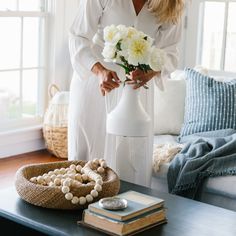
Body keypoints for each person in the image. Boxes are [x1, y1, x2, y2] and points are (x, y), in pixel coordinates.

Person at [68, 0, 184, 187]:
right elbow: (78, 36)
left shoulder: (171, 3)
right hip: (95, 82)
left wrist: (152, 71)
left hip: (136, 89)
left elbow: (171, 52)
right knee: (85, 162)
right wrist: (99, 71)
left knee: (129, 163)